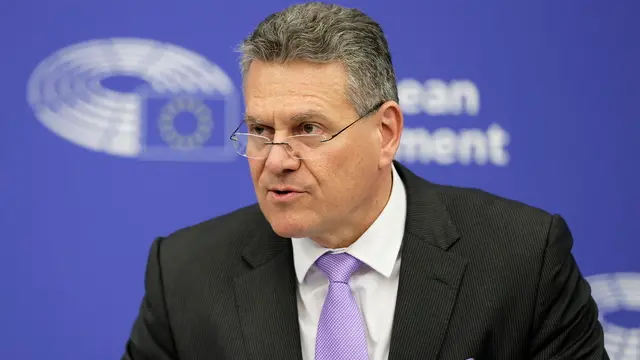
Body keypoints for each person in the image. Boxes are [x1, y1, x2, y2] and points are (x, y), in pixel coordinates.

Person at [121, 2, 609, 359]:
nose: (275, 160)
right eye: (260, 130)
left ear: (386, 132)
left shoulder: (521, 259)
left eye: (307, 129)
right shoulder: (185, 275)